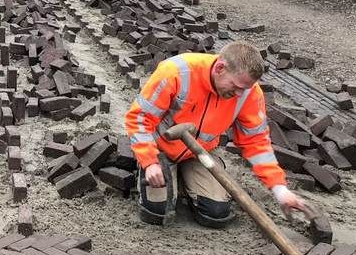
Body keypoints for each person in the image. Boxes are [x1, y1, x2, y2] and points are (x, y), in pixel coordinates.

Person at [124, 41, 308, 228]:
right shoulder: (177, 72)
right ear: (220, 68)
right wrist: (149, 161)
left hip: (199, 154)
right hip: (159, 150)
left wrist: (280, 190)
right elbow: (139, 118)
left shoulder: (248, 92)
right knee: (157, 212)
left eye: (244, 89)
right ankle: (155, 170)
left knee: (216, 214)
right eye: (235, 86)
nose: (239, 94)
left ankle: (186, 180)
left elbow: (256, 142)